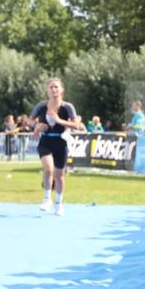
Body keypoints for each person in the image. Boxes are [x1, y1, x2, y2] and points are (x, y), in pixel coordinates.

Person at [30, 77, 85, 216]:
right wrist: (37, 126)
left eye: (56, 87)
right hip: (46, 142)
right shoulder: (41, 106)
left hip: (61, 142)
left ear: (61, 90)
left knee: (59, 175)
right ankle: (47, 198)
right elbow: (30, 121)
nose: (54, 89)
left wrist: (59, 120)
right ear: (47, 90)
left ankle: (59, 203)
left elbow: (77, 125)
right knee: (48, 168)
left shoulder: (68, 107)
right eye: (51, 87)